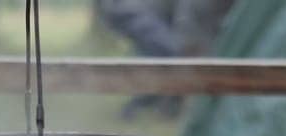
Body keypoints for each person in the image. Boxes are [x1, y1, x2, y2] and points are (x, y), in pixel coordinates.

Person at [94, 0, 237, 117]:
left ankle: (157, 105)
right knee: (170, 55)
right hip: (132, 10)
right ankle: (147, 106)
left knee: (155, 58)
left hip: (137, 11)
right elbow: (187, 32)